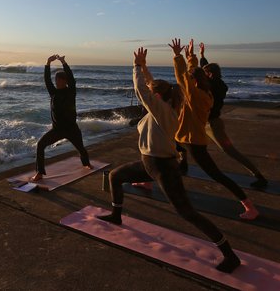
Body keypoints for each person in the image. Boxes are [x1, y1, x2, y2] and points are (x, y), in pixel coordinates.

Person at [97, 47, 240, 273]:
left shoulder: (164, 111)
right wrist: (144, 67)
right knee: (116, 175)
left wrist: (135, 67)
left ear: (158, 96)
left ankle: (230, 255)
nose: (151, 93)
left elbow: (141, 90)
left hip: (163, 168)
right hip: (149, 164)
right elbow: (152, 86)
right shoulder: (166, 105)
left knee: (187, 212)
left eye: (154, 93)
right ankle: (116, 215)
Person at [170, 38, 258, 220]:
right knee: (165, 155)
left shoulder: (196, 96)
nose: (189, 80)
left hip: (193, 141)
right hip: (184, 137)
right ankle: (154, 179)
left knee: (216, 174)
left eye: (191, 79)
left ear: (195, 82)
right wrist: (192, 56)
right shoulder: (204, 91)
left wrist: (178, 56)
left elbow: (182, 76)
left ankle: (249, 206)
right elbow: (190, 73)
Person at [199, 42, 268, 188]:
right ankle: (182, 162)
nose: (203, 77)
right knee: (181, 140)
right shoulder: (217, 82)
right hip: (204, 122)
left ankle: (259, 176)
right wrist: (202, 55)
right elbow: (205, 70)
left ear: (210, 75)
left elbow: (203, 78)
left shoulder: (215, 87)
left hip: (212, 124)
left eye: (205, 74)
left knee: (229, 150)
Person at [31, 54, 91, 182]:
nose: (57, 82)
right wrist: (47, 63)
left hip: (71, 129)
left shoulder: (71, 91)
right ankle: (40, 173)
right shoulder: (53, 92)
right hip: (57, 130)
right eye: (56, 79)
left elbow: (71, 77)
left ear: (65, 81)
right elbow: (47, 80)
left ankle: (87, 164)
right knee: (40, 145)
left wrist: (64, 62)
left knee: (81, 149)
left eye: (59, 80)